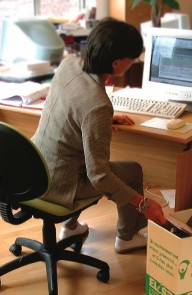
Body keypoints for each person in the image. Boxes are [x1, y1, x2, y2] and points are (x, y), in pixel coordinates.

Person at [31, 18, 168, 254]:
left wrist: (96, 123)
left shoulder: (69, 64)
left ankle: (71, 227)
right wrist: (144, 204)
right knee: (132, 171)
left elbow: (72, 111)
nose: (133, 62)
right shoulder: (98, 107)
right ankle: (127, 237)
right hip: (60, 185)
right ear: (116, 63)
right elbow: (100, 176)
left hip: (34, 167)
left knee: (78, 159)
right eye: (132, 59)